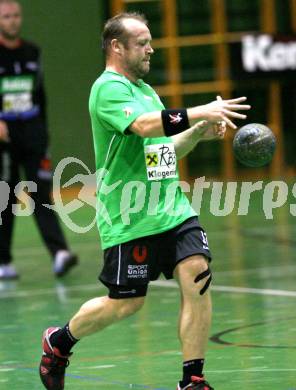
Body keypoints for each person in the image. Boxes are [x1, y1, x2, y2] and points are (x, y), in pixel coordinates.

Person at [38, 12, 250, 390]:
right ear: (117, 47)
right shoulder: (107, 89)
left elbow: (160, 154)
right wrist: (200, 110)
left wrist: (197, 133)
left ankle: (193, 380)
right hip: (130, 217)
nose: (151, 48)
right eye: (143, 42)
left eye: (150, 41)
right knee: (125, 302)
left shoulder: (145, 92)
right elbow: (143, 126)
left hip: (172, 209)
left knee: (197, 274)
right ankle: (60, 341)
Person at [0, 0, 78, 279]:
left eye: (16, 15)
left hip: (32, 133)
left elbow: (40, 95)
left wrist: (43, 133)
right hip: (4, 138)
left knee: (40, 192)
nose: (12, 21)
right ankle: (3, 260)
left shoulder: (33, 52)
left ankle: (60, 253)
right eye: (6, 16)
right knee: (5, 197)